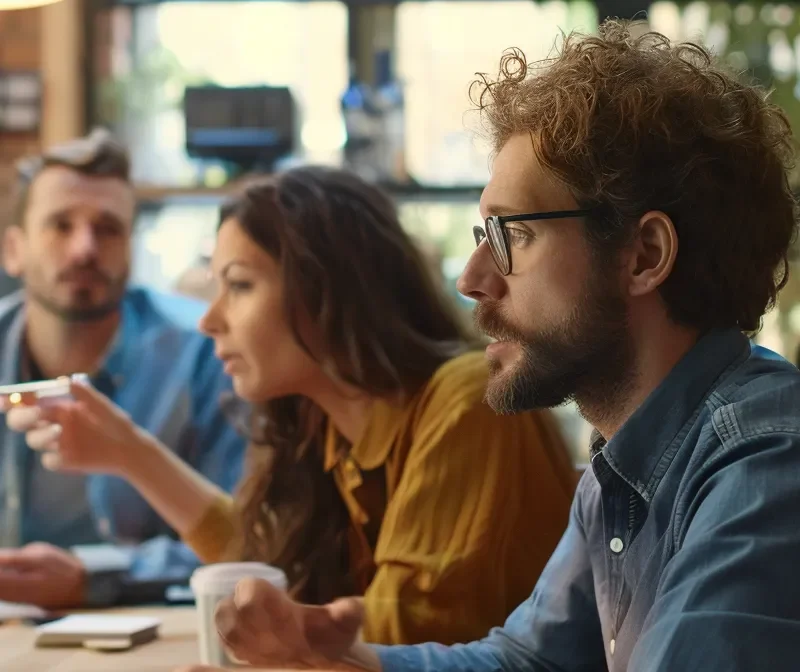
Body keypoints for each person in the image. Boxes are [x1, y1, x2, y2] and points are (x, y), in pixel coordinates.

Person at [172, 20, 800, 672]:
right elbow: (527, 660)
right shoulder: (626, 465)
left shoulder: (765, 464)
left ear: (644, 255)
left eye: (512, 236)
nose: (473, 278)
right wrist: (344, 663)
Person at [8, 165, 578, 645]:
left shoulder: (464, 400)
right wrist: (131, 453)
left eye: (239, 285)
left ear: (325, 290)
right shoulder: (329, 426)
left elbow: (406, 632)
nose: (209, 320)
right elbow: (263, 557)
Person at [0, 129, 245, 609]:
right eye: (60, 225)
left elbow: (250, 542)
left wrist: (95, 577)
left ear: (132, 248)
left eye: (109, 229)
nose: (84, 249)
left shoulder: (205, 357)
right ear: (14, 250)